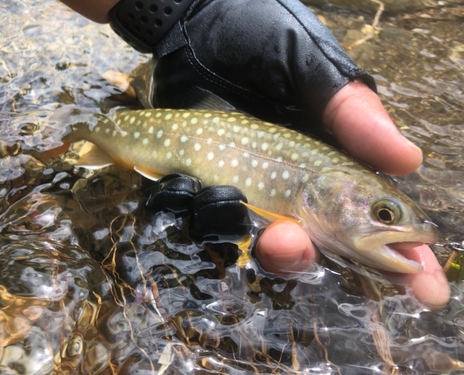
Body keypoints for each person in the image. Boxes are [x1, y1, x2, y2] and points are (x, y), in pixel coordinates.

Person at [59, 0, 449, 311]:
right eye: (385, 214)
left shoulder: (321, 185)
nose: (388, 222)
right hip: (129, 133)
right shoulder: (315, 189)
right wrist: (196, 11)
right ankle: (85, 134)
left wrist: (177, 10)